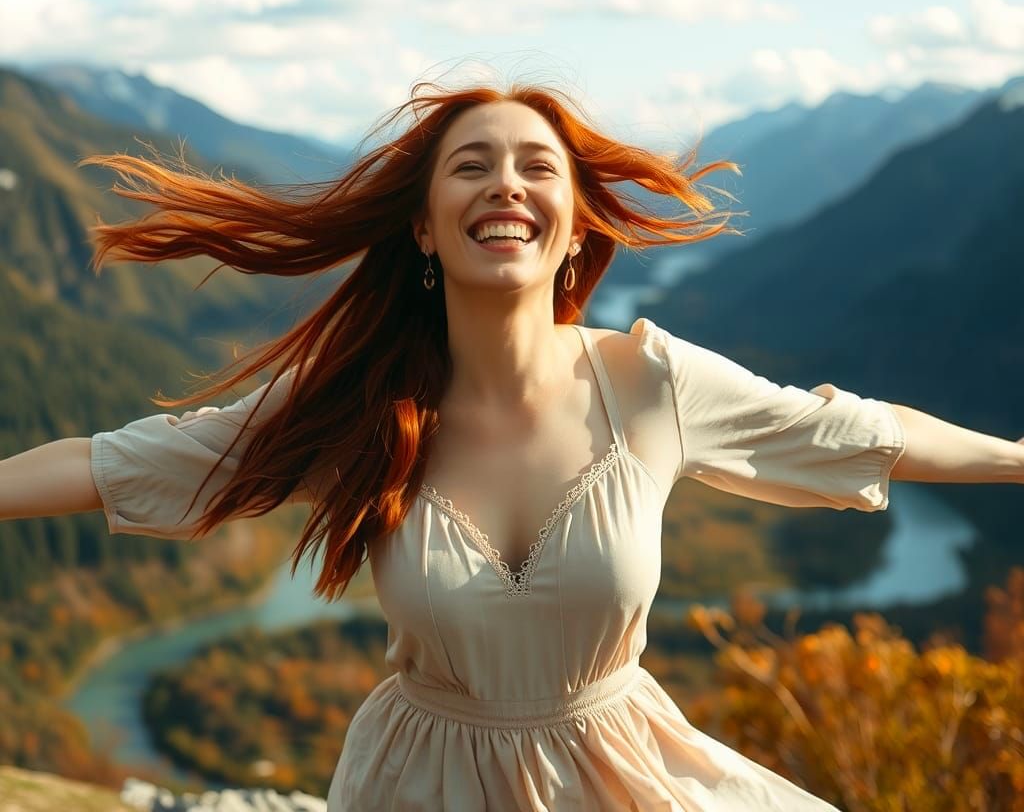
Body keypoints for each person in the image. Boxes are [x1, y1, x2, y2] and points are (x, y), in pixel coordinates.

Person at [2, 75, 1022, 811]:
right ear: (423, 225)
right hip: (421, 787)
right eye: (471, 165)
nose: (505, 183)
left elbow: (869, 433)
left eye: (538, 165)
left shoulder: (653, 382)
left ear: (575, 225)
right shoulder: (359, 406)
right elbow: (111, 463)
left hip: (623, 777)